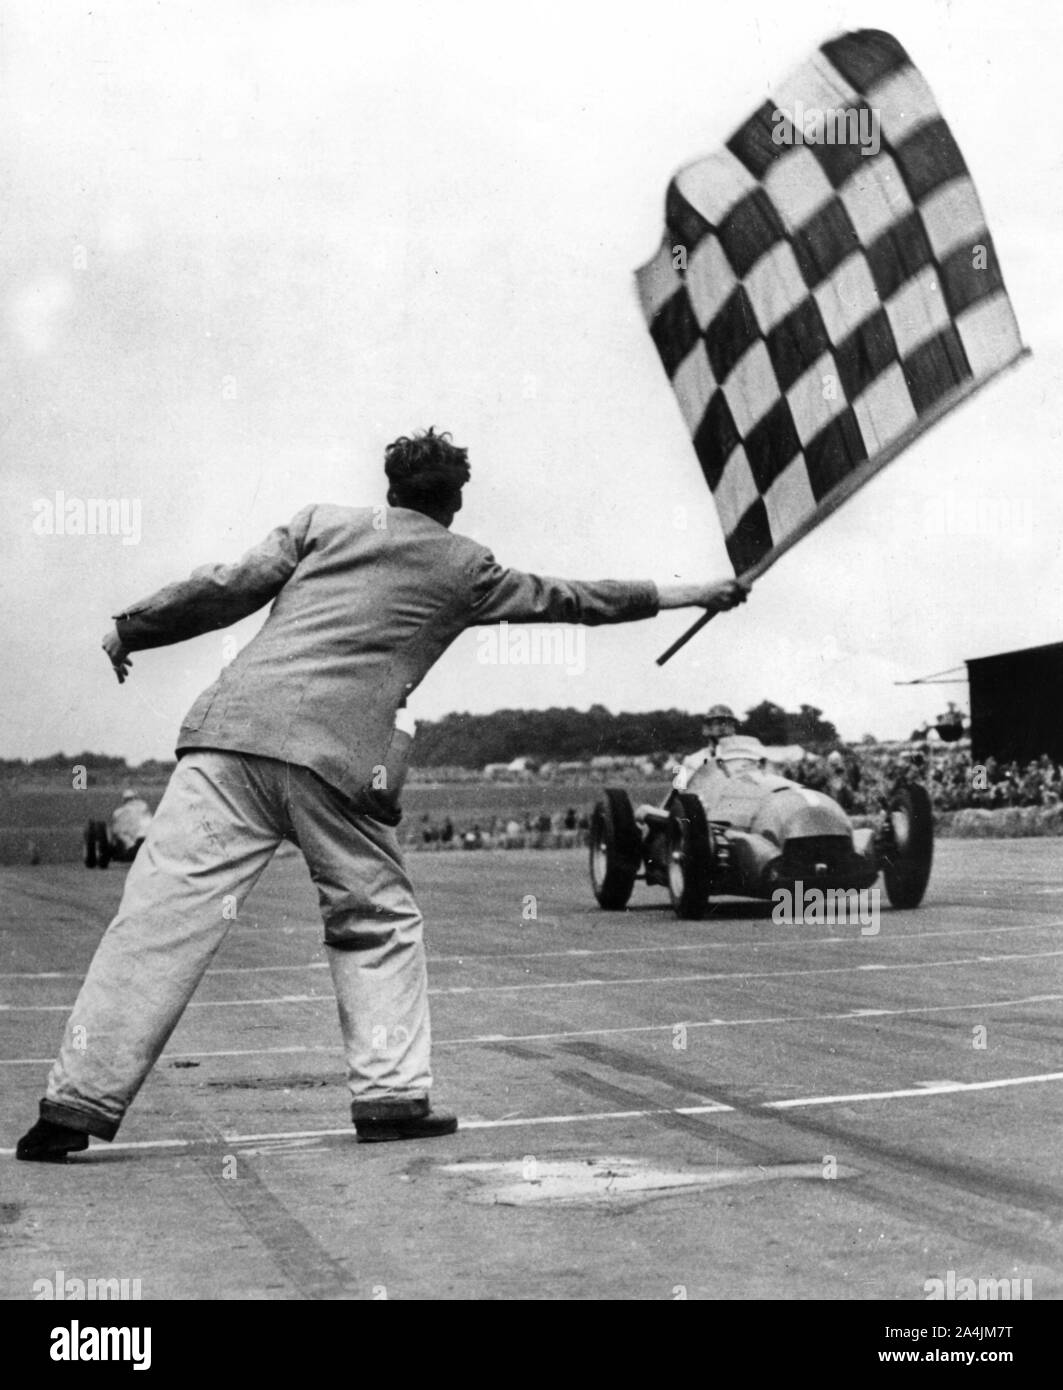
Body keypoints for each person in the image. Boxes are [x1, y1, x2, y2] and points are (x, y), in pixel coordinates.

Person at [18, 426, 749, 1161]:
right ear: (455, 501)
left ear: (390, 489)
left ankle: (70, 1109)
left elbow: (226, 587)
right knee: (377, 919)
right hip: (337, 762)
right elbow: (576, 599)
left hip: (225, 741)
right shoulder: (467, 567)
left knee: (155, 923)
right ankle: (390, 1098)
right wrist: (696, 592)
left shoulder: (319, 525)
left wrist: (132, 628)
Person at [672, 703, 740, 790]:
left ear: (733, 729)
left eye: (728, 723)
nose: (723, 728)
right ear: (707, 728)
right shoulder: (692, 760)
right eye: (718, 723)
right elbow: (680, 792)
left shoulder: (743, 757)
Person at [84, 788, 153, 869]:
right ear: (137, 797)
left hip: (130, 849)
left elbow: (115, 833)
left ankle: (96, 858)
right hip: (149, 847)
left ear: (124, 800)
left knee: (116, 834)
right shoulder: (145, 809)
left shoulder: (118, 812)